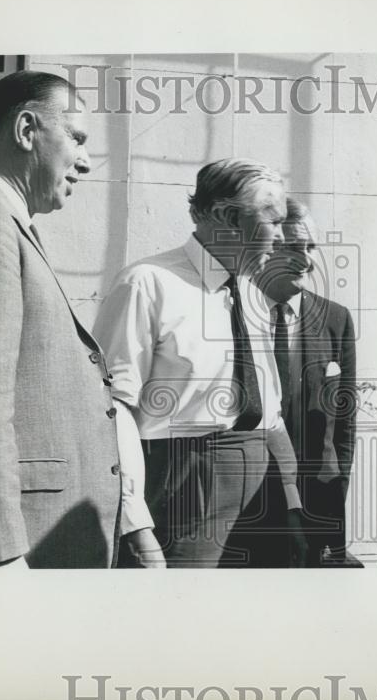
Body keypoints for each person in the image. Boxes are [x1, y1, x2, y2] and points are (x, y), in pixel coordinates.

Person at [0, 70, 162, 569]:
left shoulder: (11, 222)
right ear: (26, 130)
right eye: (77, 139)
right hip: (23, 550)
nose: (85, 160)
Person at [93, 158, 307, 568]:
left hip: (263, 495)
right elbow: (111, 411)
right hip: (186, 493)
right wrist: (136, 525)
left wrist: (292, 505)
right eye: (273, 222)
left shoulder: (252, 290)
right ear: (228, 217)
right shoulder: (146, 284)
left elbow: (271, 414)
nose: (282, 238)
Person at [253, 199, 362, 567]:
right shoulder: (233, 312)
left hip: (320, 503)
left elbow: (345, 424)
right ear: (266, 249)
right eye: (294, 248)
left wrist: (336, 492)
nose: (308, 260)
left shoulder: (336, 319)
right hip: (251, 501)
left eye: (310, 248)